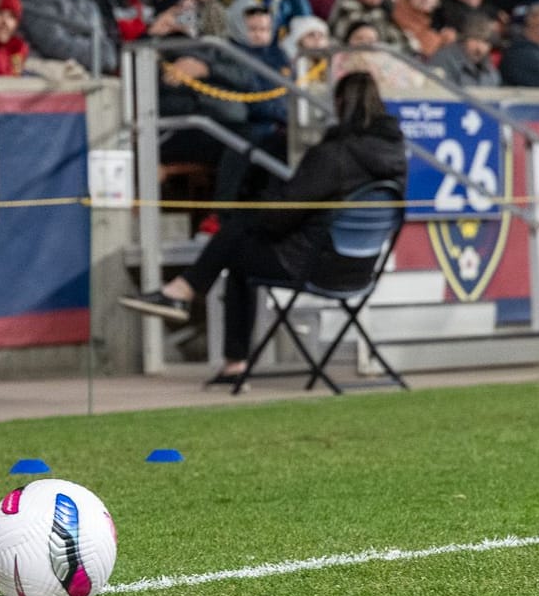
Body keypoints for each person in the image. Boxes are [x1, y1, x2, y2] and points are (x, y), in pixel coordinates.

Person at [122, 70, 407, 383]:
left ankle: (187, 297)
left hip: (314, 264)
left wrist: (261, 205)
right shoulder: (395, 158)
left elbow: (279, 215)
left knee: (236, 238)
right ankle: (190, 300)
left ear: (339, 104)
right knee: (239, 242)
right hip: (361, 269)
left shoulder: (332, 156)